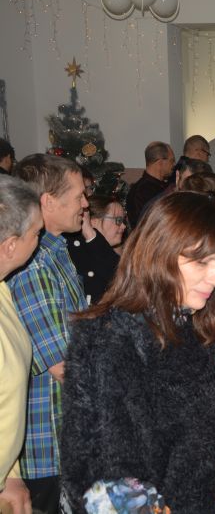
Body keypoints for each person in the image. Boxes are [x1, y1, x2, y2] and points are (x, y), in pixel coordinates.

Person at [60, 192, 215, 513]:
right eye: (203, 262)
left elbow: (214, 438)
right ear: (160, 253)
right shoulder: (108, 341)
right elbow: (105, 483)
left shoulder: (189, 327)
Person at [9, 154, 88, 514]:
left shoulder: (56, 252)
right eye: (78, 196)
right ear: (48, 202)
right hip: (48, 442)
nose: (85, 204)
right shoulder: (36, 266)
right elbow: (62, 366)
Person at [0, 176, 41, 514]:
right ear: (10, 246)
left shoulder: (2, 288)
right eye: (36, 233)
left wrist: (10, 474)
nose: (40, 240)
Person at [65, 195, 126, 304]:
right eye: (118, 220)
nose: (123, 226)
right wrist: (92, 235)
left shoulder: (112, 253)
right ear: (92, 221)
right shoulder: (71, 249)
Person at [125, 141, 174, 227]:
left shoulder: (164, 185)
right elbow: (143, 226)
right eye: (172, 160)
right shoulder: (140, 192)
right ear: (160, 163)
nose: (174, 164)